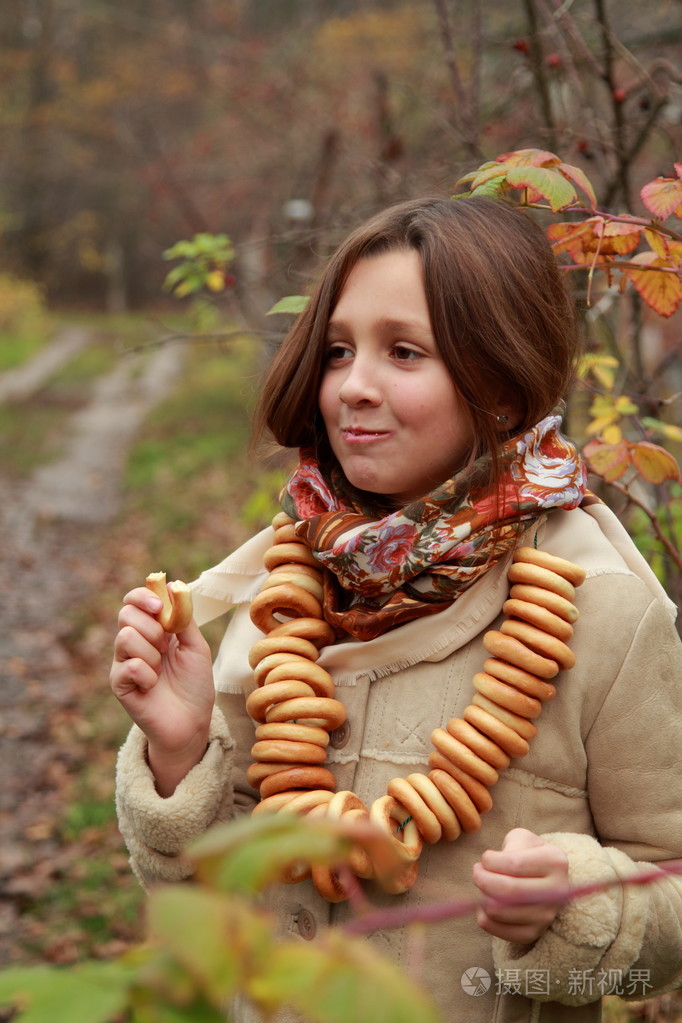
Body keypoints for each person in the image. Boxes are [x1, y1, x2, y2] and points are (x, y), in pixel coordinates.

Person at [111, 196, 682, 1023]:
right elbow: (200, 903)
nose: (352, 387)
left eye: (404, 352)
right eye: (338, 351)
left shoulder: (604, 608)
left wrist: (579, 906)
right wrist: (179, 752)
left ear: (501, 378)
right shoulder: (279, 587)